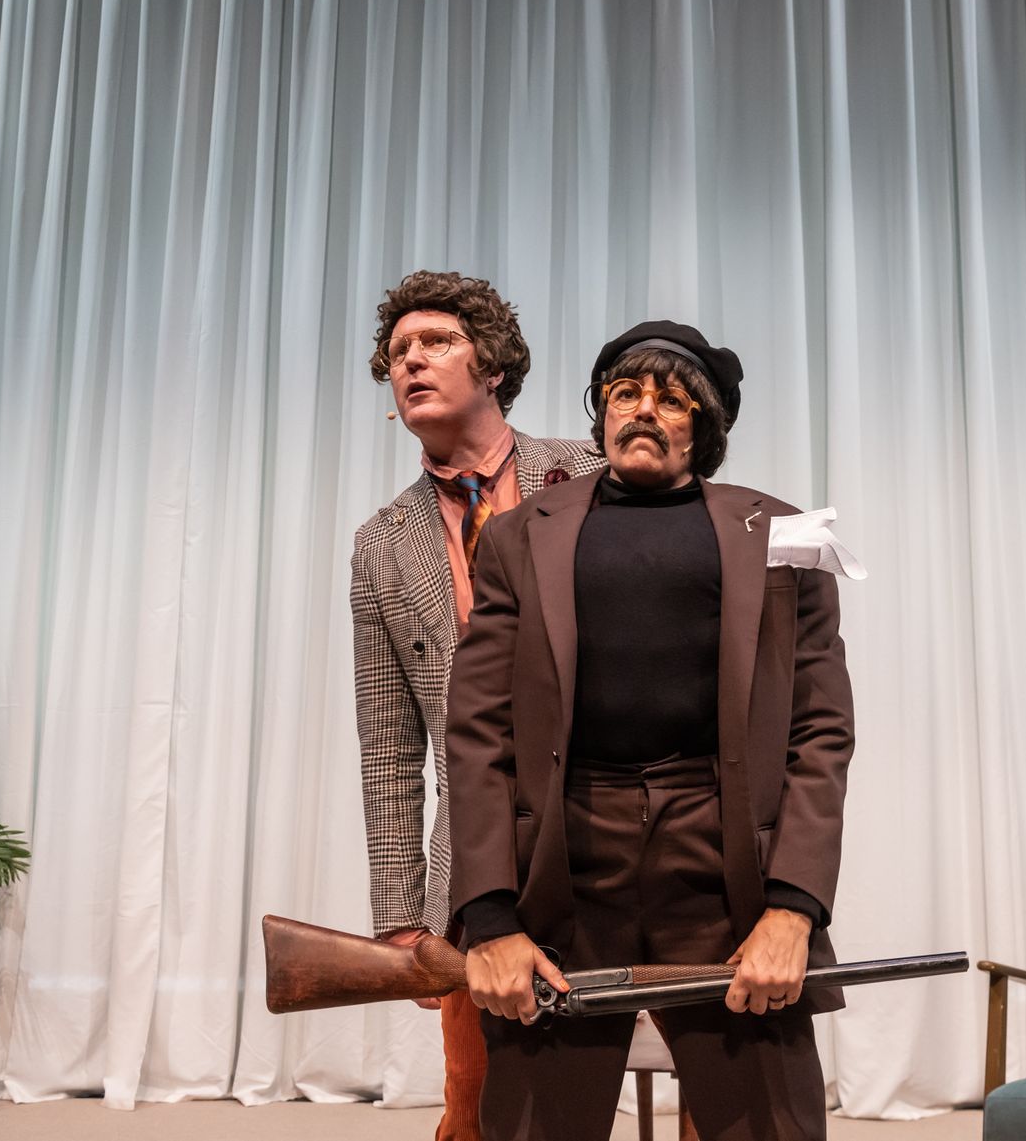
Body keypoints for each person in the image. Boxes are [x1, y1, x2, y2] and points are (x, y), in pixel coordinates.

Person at [445, 320, 857, 1141]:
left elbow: (820, 731)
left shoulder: (782, 534)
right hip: (563, 867)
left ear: (705, 427)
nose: (643, 411)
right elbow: (479, 731)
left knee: (767, 1122)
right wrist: (490, 919)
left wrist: (793, 910)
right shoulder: (522, 536)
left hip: (724, 865)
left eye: (672, 401)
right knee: (534, 1124)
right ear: (600, 413)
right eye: (625, 394)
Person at [350, 270, 605, 1141]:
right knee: (480, 1108)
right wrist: (399, 913)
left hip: (618, 838)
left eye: (437, 343)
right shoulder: (381, 545)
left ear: (493, 365)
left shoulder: (592, 476)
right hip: (478, 864)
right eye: (397, 354)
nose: (411, 362)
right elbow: (387, 744)